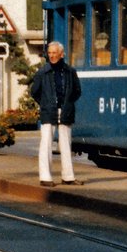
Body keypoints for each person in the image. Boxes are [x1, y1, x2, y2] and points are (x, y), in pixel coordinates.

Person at [29, 41, 81, 186]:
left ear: (61, 54)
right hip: (48, 111)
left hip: (65, 111)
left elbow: (77, 91)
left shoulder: (71, 72)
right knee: (46, 144)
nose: (51, 55)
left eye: (54, 53)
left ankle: (68, 177)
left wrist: (68, 104)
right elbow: (35, 92)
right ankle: (45, 178)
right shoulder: (42, 72)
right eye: (49, 53)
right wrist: (45, 103)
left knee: (66, 144)